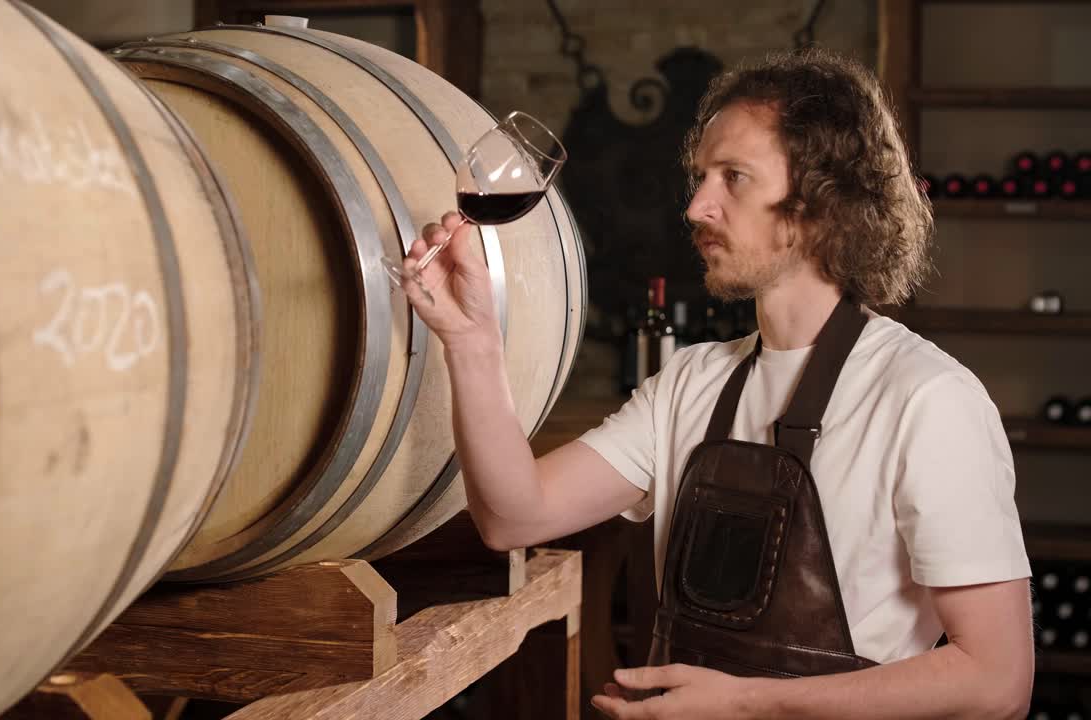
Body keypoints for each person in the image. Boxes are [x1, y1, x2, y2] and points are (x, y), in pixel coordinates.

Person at [397, 48, 1033, 719]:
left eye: (734, 178)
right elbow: (512, 516)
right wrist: (469, 340)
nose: (698, 205)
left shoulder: (927, 400)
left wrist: (749, 705)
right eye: (702, 177)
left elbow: (996, 681)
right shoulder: (691, 384)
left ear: (822, 206)